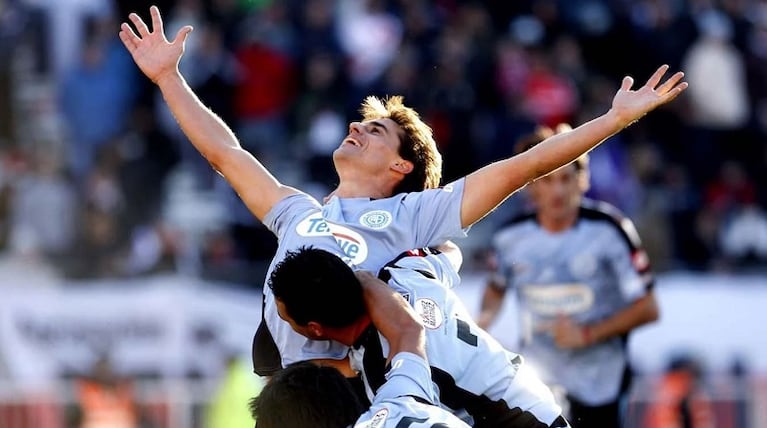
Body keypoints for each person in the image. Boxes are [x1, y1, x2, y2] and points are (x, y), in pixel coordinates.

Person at [118, 6, 687, 377]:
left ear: (400, 168)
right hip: (290, 396)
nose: (355, 128)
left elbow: (524, 166)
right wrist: (170, 78)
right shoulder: (297, 212)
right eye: (358, 123)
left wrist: (613, 120)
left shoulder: (415, 216)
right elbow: (226, 153)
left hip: (357, 399)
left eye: (375, 130)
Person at [477, 124, 660, 428]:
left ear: (583, 180)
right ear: (531, 185)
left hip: (600, 383)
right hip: (539, 381)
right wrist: (481, 325)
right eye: (547, 180)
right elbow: (496, 289)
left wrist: (588, 334)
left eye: (566, 178)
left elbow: (648, 307)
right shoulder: (509, 237)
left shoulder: (610, 230)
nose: (558, 191)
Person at [269, 245, 569, 428]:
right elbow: (450, 250)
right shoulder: (404, 271)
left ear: (315, 328)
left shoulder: (385, 378)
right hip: (536, 403)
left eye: (284, 316)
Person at [250, 259, 471, 428]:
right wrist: (363, 277)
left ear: (315, 327)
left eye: (286, 320)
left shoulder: (384, 382)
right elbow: (409, 332)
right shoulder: (398, 394)